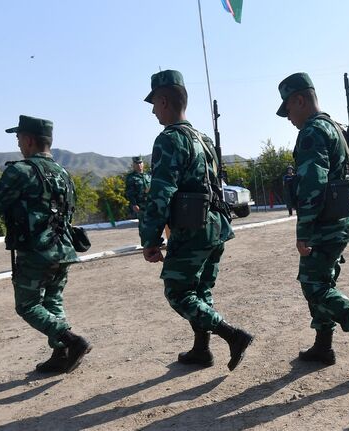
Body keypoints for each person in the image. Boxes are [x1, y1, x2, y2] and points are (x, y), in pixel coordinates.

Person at [0, 115, 91, 374]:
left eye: (18, 138)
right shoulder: (64, 173)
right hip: (64, 249)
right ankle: (60, 353)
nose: (18, 143)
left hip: (36, 251)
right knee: (53, 300)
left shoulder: (21, 171)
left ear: (29, 140)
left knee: (27, 305)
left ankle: (73, 341)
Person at [276, 72, 349, 371]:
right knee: (320, 281)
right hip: (338, 220)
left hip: (325, 224)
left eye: (287, 109)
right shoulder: (333, 126)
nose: (288, 117)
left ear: (299, 100)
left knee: (314, 286)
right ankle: (323, 346)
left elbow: (313, 182)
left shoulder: (313, 131)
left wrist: (304, 231)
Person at [141, 70, 252, 371]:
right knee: (201, 291)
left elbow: (161, 192)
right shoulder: (203, 139)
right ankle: (202, 349)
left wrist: (150, 239)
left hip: (193, 229)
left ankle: (233, 335)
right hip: (216, 227)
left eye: (154, 104)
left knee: (178, 292)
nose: (152, 111)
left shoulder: (169, 139)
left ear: (164, 101)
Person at [125, 156, 151, 225]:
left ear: (143, 164)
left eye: (140, 163)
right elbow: (129, 192)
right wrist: (134, 204)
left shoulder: (148, 175)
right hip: (140, 205)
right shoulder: (131, 177)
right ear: (133, 165)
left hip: (151, 203)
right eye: (137, 163)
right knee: (144, 225)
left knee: (153, 224)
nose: (139, 165)